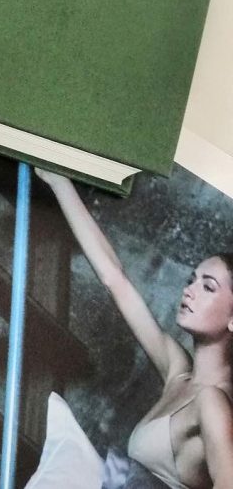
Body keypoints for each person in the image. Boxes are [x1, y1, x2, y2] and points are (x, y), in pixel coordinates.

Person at [37, 170, 233, 489]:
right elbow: (115, 279)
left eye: (208, 287)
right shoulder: (178, 370)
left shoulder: (213, 403)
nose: (189, 290)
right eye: (191, 280)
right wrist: (60, 183)